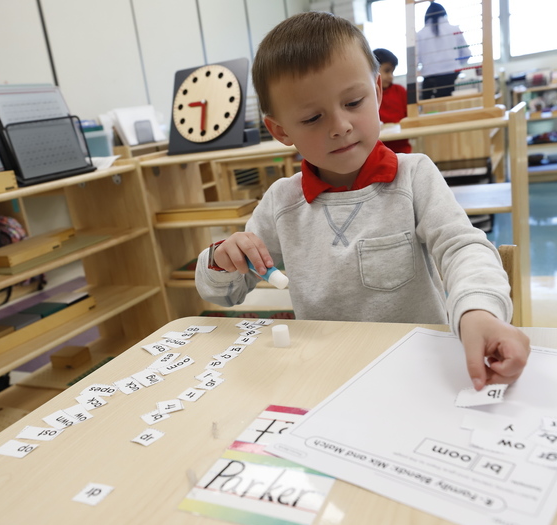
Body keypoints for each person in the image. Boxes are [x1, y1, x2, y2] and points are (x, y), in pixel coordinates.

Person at [195, 12, 529, 390]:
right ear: (280, 130)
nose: (340, 125)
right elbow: (224, 294)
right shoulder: (280, 203)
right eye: (313, 118)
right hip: (329, 376)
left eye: (353, 102)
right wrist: (223, 259)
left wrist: (478, 311)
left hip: (418, 371)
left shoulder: (413, 176)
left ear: (377, 91)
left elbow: (462, 247)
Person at [416, 2, 471, 99]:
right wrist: (454, 63)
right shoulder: (454, 29)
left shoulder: (420, 35)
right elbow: (467, 54)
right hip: (453, 78)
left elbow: (416, 61)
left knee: (431, 112)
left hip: (430, 82)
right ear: (444, 14)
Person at [373, 48, 413, 154]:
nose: (391, 76)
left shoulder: (400, 91)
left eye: (392, 72)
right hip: (378, 150)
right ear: (373, 69)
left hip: (402, 148)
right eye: (387, 71)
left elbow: (409, 118)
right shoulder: (369, 95)